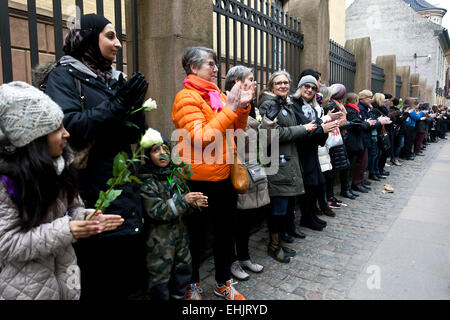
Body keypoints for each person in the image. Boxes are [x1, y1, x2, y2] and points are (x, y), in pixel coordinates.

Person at [44, 14, 149, 300]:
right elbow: (72, 127)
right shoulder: (63, 76)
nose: (118, 45)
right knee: (100, 281)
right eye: (110, 36)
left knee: (133, 282)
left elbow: (133, 137)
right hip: (89, 194)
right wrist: (118, 105)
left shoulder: (116, 79)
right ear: (90, 38)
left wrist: (136, 113)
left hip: (126, 189)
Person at [0, 82, 124, 300]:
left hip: (64, 281)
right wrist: (68, 230)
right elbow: (7, 244)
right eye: (57, 128)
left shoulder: (61, 166)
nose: (66, 134)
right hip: (23, 290)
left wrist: (87, 219)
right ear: (33, 139)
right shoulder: (6, 183)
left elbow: (71, 209)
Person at [172, 46, 255, 300]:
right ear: (193, 67)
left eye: (215, 64)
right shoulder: (186, 98)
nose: (216, 68)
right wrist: (231, 108)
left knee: (224, 233)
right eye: (211, 64)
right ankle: (192, 285)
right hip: (197, 180)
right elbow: (201, 138)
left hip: (224, 177)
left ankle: (222, 282)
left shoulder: (216, 93)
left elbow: (235, 130)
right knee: (195, 237)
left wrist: (242, 107)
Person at [139, 132, 208, 300]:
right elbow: (156, 210)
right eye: (156, 150)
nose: (162, 153)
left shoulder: (174, 177)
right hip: (159, 245)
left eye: (165, 148)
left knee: (182, 272)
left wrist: (194, 204)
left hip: (181, 239)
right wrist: (184, 201)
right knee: (160, 281)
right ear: (148, 156)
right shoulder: (147, 182)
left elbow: (183, 202)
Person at [258, 71, 316, 263]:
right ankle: (273, 246)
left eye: (285, 82)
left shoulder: (286, 103)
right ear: (271, 86)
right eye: (278, 83)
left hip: (288, 160)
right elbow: (272, 134)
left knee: (284, 206)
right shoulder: (268, 104)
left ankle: (279, 242)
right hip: (276, 162)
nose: (283, 85)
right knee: (278, 207)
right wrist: (302, 129)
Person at [224, 66, 267, 281]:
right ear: (237, 82)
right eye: (251, 79)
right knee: (235, 219)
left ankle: (244, 256)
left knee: (247, 218)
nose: (255, 83)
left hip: (252, 166)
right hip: (233, 168)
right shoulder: (227, 103)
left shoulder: (251, 105)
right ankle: (232, 261)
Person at [291, 75, 339, 231]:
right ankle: (306, 217)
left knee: (317, 184)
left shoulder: (310, 106)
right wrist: (323, 123)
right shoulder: (294, 104)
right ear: (300, 87)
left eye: (313, 88)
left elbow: (317, 131)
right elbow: (307, 126)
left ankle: (311, 215)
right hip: (301, 150)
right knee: (309, 185)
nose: (310, 90)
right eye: (306, 86)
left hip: (312, 149)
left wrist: (325, 128)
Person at [344, 92, 372, 193]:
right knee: (354, 164)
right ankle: (353, 185)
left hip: (357, 140)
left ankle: (358, 183)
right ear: (356, 101)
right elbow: (358, 125)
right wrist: (368, 123)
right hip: (352, 141)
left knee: (361, 163)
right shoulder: (351, 111)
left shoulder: (354, 109)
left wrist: (366, 123)